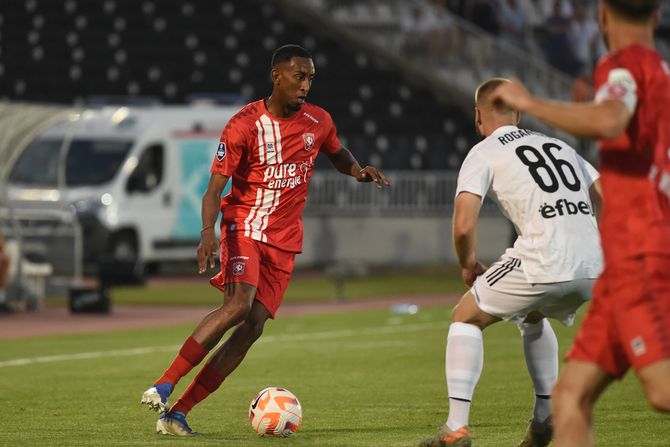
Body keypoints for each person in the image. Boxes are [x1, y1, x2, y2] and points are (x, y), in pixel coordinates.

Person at [140, 44, 390, 436]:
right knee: (239, 304)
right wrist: (207, 232)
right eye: (299, 76)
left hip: (284, 239)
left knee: (253, 325)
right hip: (245, 227)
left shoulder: (318, 120)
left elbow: (337, 153)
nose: (305, 84)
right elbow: (213, 189)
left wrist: (357, 171)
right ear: (277, 76)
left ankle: (177, 413)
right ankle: (165, 382)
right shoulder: (243, 125)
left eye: (310, 78)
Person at [491, 1, 670, 446]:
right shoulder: (661, 72)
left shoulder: (622, 65)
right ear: (656, 17)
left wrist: (530, 103)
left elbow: (611, 118)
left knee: (663, 390)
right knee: (570, 396)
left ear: (603, 17)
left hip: (639, 254)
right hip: (619, 266)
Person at [419, 78, 603, 447]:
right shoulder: (558, 145)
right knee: (531, 314)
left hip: (542, 257)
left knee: (465, 316)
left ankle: (456, 427)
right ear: (518, 113)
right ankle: (545, 416)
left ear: (478, 116)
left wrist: (467, 264)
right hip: (595, 264)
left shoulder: (484, 151)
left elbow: (463, 224)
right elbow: (604, 196)